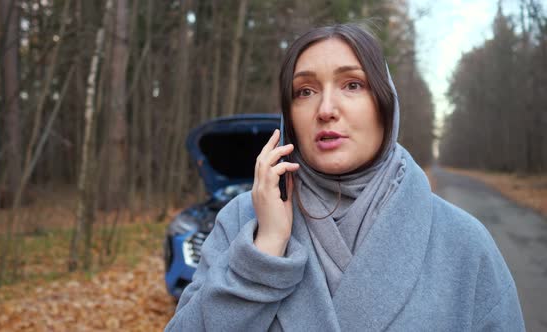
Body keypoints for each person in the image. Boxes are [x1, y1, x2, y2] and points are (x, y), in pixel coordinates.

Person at [165, 23, 524, 331]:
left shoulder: (463, 243)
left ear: (386, 104)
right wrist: (265, 250)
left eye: (352, 85)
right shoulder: (242, 221)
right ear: (289, 116)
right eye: (305, 91)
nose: (325, 110)